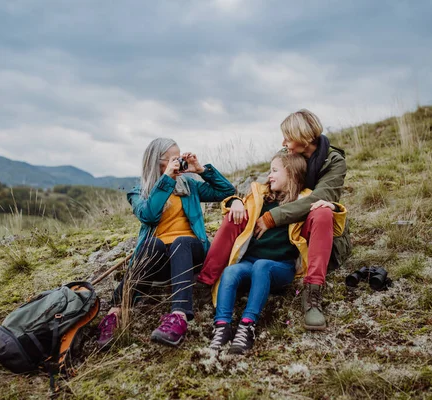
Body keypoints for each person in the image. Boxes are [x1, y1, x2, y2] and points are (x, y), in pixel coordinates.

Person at [197, 109, 351, 331]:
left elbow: (321, 197)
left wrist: (272, 217)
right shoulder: (287, 152)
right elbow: (263, 186)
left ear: (305, 138)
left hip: (308, 226)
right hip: (283, 220)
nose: (284, 142)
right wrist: (237, 201)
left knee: (322, 211)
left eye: (288, 137)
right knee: (236, 214)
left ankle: (312, 294)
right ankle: (207, 280)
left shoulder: (333, 161)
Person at [97, 138, 235, 348]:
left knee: (182, 241)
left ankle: (178, 317)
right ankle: (115, 314)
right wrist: (167, 179)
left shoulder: (189, 185)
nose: (179, 162)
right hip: (160, 260)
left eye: (180, 157)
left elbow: (227, 191)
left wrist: (201, 170)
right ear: (156, 162)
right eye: (173, 159)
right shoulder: (139, 192)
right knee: (152, 244)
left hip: (191, 252)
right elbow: (149, 216)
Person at [208, 152, 347, 354]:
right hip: (250, 263)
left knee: (262, 266)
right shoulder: (260, 197)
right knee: (231, 272)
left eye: (274, 171)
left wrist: (332, 205)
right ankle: (222, 327)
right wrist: (234, 202)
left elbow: (330, 222)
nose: (269, 176)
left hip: (280, 267)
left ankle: (247, 326)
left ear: (291, 174)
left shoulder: (303, 201)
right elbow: (235, 203)